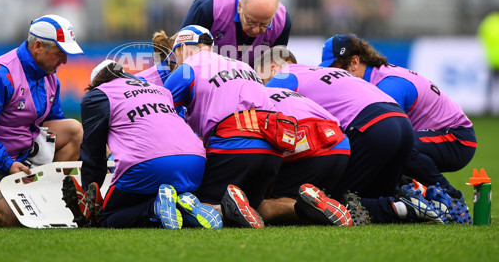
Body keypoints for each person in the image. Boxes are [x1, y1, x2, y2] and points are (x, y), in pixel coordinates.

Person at [163, 25, 351, 228]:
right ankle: (299, 207)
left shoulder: (188, 67)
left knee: (196, 204)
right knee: (260, 206)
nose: (176, 62)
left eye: (176, 55)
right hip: (272, 148)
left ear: (182, 47)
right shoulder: (244, 66)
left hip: (232, 143)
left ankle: (228, 206)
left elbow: (159, 112)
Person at [255, 46, 446, 225]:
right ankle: (417, 201)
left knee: (332, 200)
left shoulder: (285, 74)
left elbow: (266, 108)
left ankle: (405, 205)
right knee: (370, 196)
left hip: (371, 125)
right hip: (401, 121)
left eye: (260, 79)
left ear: (272, 69)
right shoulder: (321, 73)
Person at [0, 14, 85, 227]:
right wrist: (7, 164)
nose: (64, 61)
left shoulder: (50, 76)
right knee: (16, 220)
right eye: (60, 53)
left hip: (20, 148)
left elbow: (54, 122)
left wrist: (94, 149)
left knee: (75, 130)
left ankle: (44, 196)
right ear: (38, 46)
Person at [319, 34, 475, 223]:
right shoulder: (376, 78)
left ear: (354, 62)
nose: (332, 76)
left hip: (457, 138)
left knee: (400, 147)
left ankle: (453, 200)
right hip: (433, 136)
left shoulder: (388, 85)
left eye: (334, 69)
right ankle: (413, 202)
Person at [64, 59, 222, 229]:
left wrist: (89, 188)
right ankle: (183, 203)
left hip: (148, 165)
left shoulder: (98, 95)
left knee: (107, 218)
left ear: (96, 83)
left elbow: (93, 152)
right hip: (195, 162)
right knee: (163, 198)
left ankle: (154, 208)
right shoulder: (161, 91)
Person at [257, 86, 353, 225]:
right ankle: (333, 207)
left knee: (259, 205)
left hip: (307, 140)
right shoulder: (283, 91)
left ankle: (309, 211)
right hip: (340, 143)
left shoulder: (250, 95)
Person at [179, 0, 292, 67]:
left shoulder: (281, 22)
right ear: (239, 7)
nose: (256, 30)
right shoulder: (209, 7)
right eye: (250, 22)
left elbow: (273, 70)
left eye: (264, 24)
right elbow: (181, 53)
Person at [478, 11, 499, 115]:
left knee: (490, 85)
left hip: (492, 59)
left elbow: (481, 34)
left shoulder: (488, 22)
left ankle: (488, 107)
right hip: (496, 58)